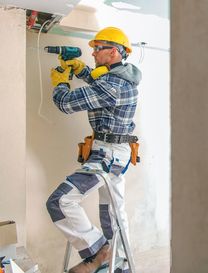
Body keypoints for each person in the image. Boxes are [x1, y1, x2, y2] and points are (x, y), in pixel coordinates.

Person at [46, 26, 141, 273]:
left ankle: (98, 252)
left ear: (114, 52)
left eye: (98, 49)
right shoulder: (118, 78)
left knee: (60, 200)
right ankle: (120, 265)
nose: (94, 53)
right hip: (113, 152)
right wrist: (81, 70)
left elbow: (66, 104)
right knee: (112, 212)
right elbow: (99, 82)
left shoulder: (113, 85)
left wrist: (60, 83)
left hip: (108, 155)